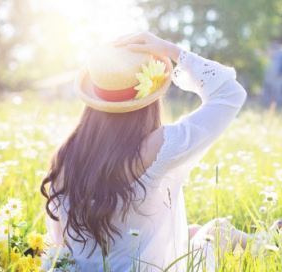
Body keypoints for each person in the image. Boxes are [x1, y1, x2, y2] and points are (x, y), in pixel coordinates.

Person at [41, 31, 249, 272]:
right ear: (150, 96)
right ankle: (273, 241)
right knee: (217, 230)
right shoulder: (156, 148)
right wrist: (174, 51)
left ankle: (271, 237)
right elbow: (230, 93)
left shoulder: (66, 154)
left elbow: (58, 241)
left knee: (190, 232)